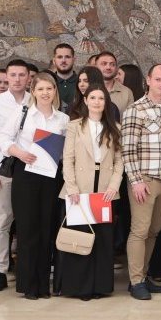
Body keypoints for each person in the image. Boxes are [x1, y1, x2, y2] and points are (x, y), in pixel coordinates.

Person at [0, 73, 66, 300]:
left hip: (50, 177)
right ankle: (28, 285)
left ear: (55, 91)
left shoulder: (63, 119)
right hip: (25, 174)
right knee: (28, 229)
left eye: (49, 88)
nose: (45, 93)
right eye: (41, 89)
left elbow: (66, 151)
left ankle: (43, 285)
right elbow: (3, 139)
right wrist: (20, 153)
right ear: (33, 92)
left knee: (46, 228)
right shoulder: (22, 113)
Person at [59, 84, 123, 300]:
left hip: (105, 190)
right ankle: (80, 287)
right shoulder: (74, 126)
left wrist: (114, 185)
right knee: (80, 238)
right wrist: (72, 188)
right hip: (79, 189)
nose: (97, 102)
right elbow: (68, 159)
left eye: (101, 98)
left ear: (106, 103)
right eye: (93, 98)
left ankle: (100, 286)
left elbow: (119, 160)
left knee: (103, 240)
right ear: (85, 101)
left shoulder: (114, 127)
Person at [121, 64, 161, 300]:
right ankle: (135, 281)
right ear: (148, 80)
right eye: (158, 79)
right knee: (140, 231)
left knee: (154, 230)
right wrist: (135, 181)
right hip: (144, 179)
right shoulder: (136, 110)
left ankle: (143, 276)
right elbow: (127, 149)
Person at [0, 60, 30, 292]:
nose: (17, 79)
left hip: (31, 169)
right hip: (5, 169)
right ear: (7, 77)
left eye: (22, 75)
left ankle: (27, 269)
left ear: (29, 77)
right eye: (13, 75)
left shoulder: (35, 99)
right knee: (2, 222)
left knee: (28, 221)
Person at [50, 44, 76, 112]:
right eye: (59, 57)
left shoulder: (82, 82)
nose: (63, 60)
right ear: (54, 61)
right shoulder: (48, 82)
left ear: (74, 60)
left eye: (67, 57)